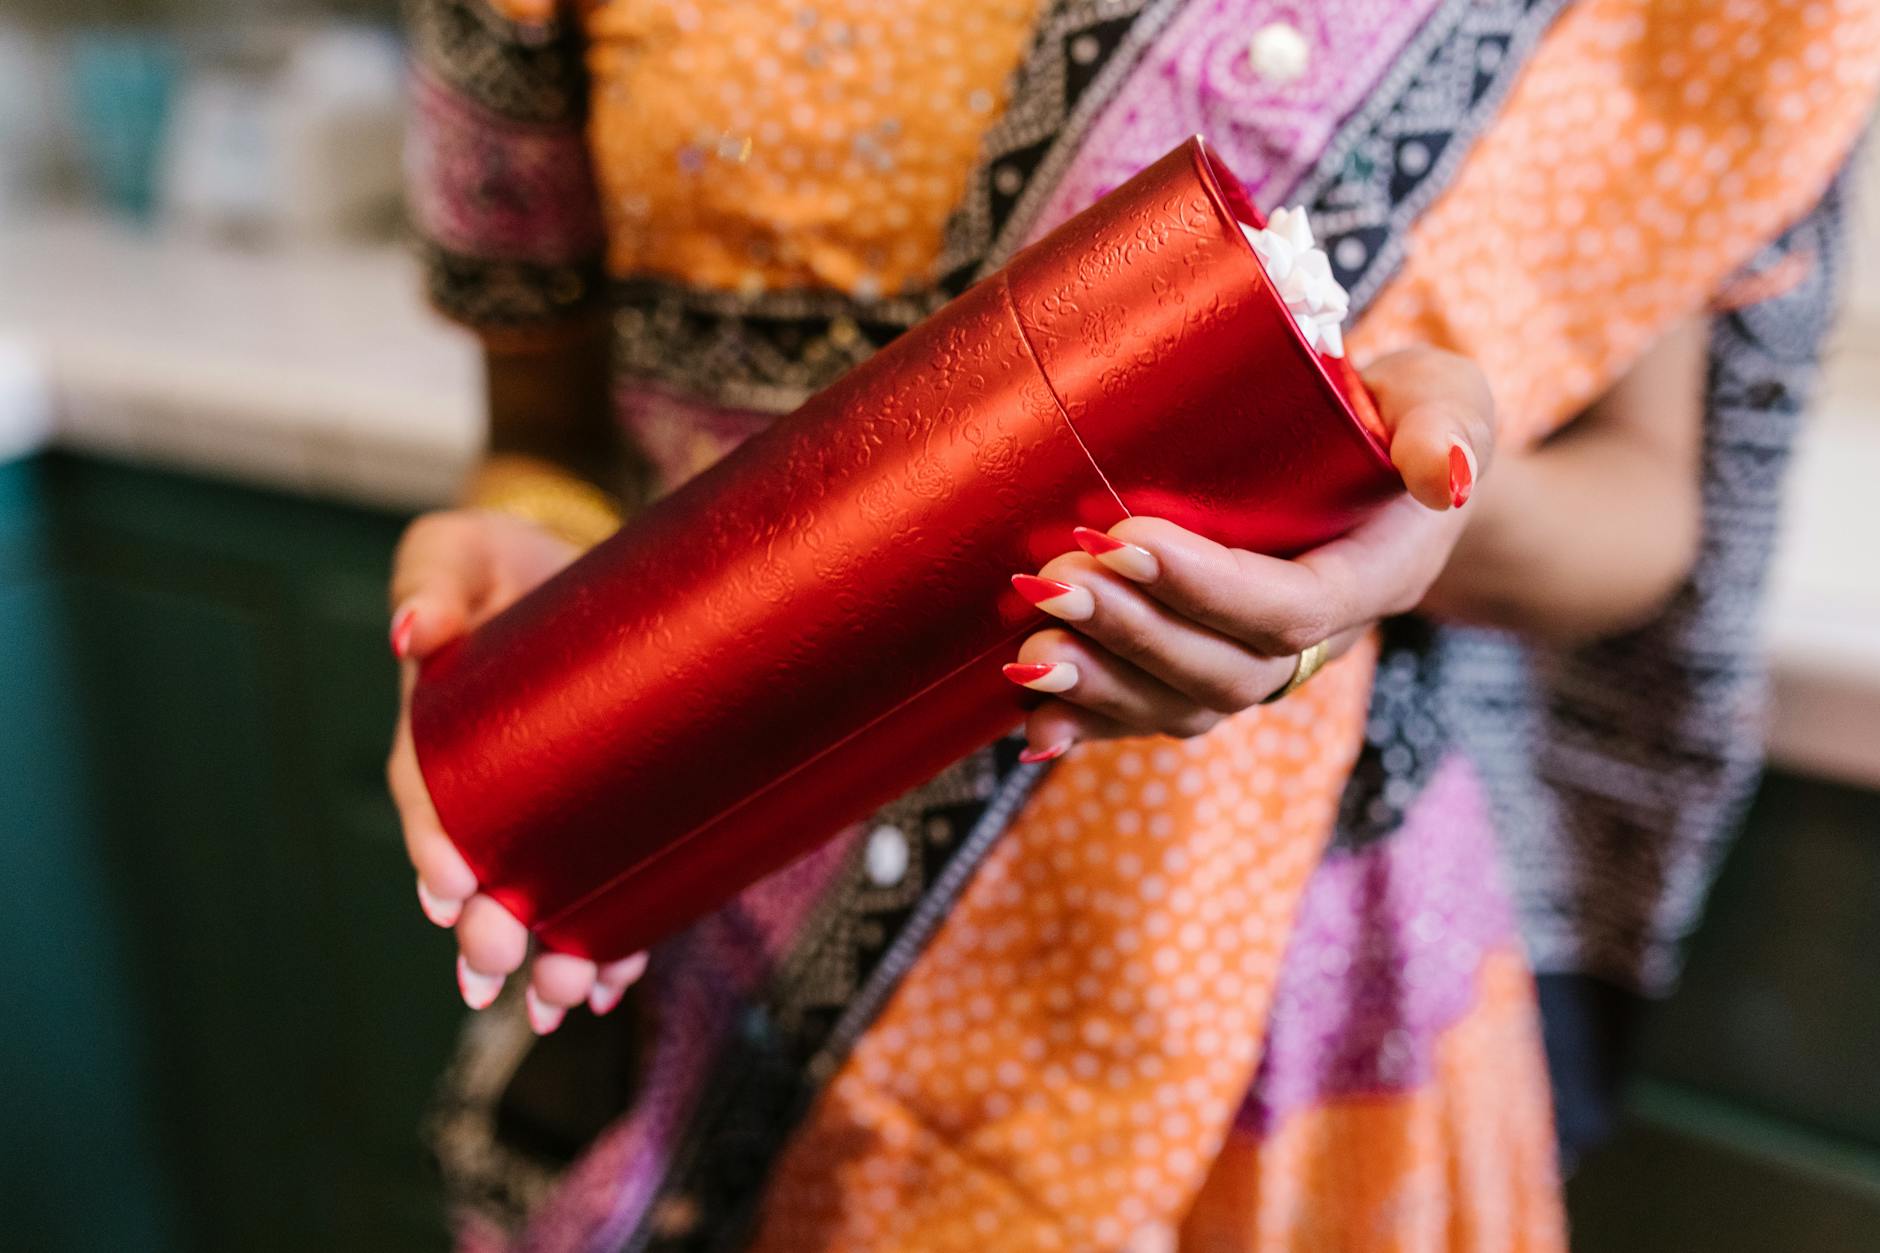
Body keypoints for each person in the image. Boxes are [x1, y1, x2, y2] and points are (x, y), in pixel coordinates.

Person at [386, 1, 1879, 1247]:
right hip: (718, 903)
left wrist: (1389, 510)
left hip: (1285, 999)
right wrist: (539, 598)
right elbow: (548, 437)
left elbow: (1645, 511)